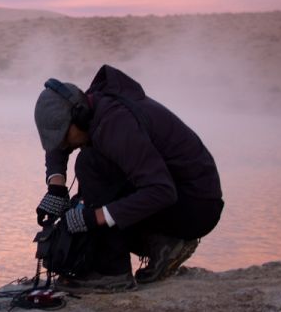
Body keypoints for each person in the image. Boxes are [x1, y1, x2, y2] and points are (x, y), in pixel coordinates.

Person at [33, 64, 223, 292]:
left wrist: (95, 218)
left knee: (90, 165)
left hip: (194, 204)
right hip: (180, 197)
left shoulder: (116, 125)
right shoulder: (90, 110)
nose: (62, 144)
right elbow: (58, 144)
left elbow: (161, 190)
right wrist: (56, 188)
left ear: (79, 116)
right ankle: (163, 245)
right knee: (89, 195)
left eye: (63, 136)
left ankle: (112, 273)